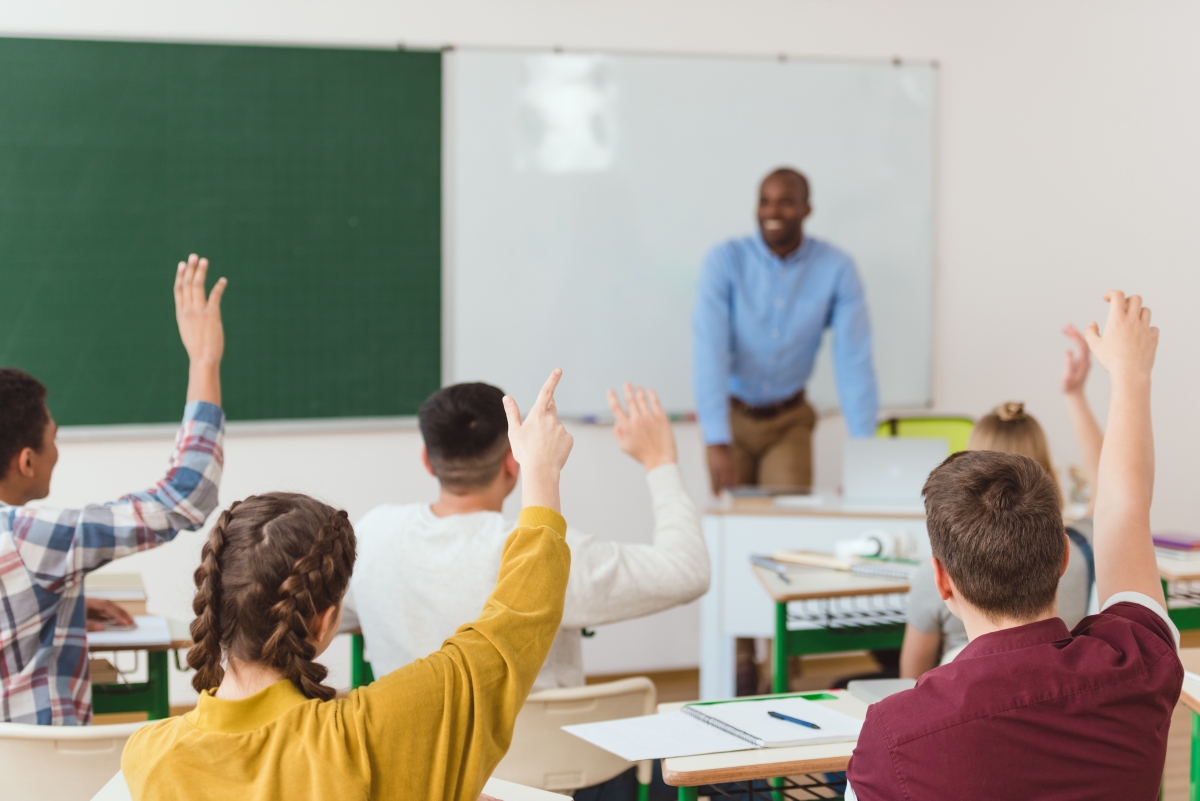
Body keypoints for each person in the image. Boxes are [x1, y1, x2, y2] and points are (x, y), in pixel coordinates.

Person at [123, 370, 575, 801]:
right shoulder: (373, 734)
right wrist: (541, 470)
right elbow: (514, 626)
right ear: (324, 621)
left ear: (215, 606)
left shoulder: (148, 756)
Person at [846, 292, 1182, 800]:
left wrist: (1129, 377)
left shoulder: (894, 734)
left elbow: (1121, 510)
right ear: (1063, 554)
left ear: (942, 580)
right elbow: (1124, 509)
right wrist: (1131, 376)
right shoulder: (1139, 663)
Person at [348, 381, 709, 691]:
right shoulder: (543, 554)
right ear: (512, 460)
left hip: (419, 766)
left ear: (427, 461)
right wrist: (660, 459)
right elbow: (686, 571)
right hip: (547, 770)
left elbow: (331, 615)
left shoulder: (374, 534)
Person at [0, 255, 226, 725]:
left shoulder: (37, 560)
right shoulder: (31, 541)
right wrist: (204, 362)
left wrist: (65, 599)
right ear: (25, 461)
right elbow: (184, 498)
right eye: (53, 439)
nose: (56, 452)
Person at [900, 325, 1105, 676]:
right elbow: (1111, 487)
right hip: (1053, 693)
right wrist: (1075, 396)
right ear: (1063, 556)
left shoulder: (938, 571)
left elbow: (910, 679)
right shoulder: (1085, 549)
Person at [692, 167, 879, 496]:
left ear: (808, 209)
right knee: (732, 527)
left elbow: (854, 361)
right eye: (764, 201)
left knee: (787, 526)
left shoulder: (837, 268)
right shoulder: (724, 261)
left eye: (786, 202)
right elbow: (710, 351)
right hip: (733, 418)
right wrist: (716, 439)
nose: (773, 211)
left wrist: (865, 455)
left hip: (789, 421)